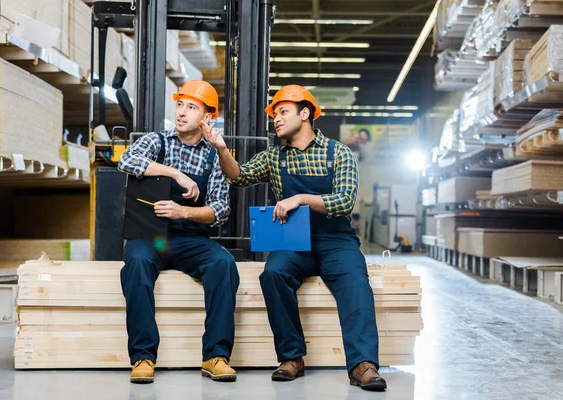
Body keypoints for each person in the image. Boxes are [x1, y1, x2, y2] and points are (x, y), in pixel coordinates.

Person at [201, 84, 387, 391]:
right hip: (293, 240)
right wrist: (221, 149)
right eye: (274, 113)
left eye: (282, 111)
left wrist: (300, 198)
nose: (275, 118)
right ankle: (291, 357)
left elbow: (344, 201)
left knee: (356, 283)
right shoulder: (274, 157)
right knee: (273, 274)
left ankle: (362, 364)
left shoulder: (338, 153)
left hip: (335, 239)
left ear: (305, 114)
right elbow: (238, 177)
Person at [118, 80, 239, 384]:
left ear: (207, 117)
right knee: (137, 263)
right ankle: (143, 357)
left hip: (189, 238)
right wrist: (175, 173)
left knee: (223, 264)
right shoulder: (157, 141)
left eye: (192, 107)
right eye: (180, 104)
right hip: (149, 235)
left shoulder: (214, 157)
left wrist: (183, 211)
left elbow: (220, 209)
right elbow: (126, 160)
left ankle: (215, 356)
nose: (182, 112)